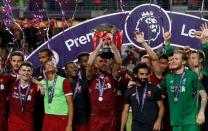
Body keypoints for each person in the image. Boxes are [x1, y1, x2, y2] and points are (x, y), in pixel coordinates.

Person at [160, 51, 207, 131]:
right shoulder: (168, 77)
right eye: (173, 59)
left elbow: (204, 95)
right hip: (175, 122)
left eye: (177, 59)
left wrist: (201, 112)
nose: (173, 61)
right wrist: (135, 82)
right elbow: (154, 89)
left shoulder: (191, 75)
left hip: (191, 122)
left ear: (184, 61)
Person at [86, 32, 122, 131]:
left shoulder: (112, 77)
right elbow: (89, 65)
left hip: (110, 118)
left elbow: (118, 63)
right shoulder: (91, 77)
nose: (104, 63)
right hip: (95, 118)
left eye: (105, 61)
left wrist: (112, 45)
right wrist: (98, 47)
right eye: (101, 61)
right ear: (96, 64)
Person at [120, 63, 164, 131]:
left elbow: (161, 107)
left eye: (146, 74)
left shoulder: (154, 89)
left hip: (153, 127)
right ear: (135, 74)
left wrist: (159, 120)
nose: (144, 76)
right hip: (136, 127)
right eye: (141, 74)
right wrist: (122, 129)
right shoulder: (129, 91)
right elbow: (125, 111)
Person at [40, 61, 73, 131]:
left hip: (61, 118)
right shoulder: (42, 82)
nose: (50, 65)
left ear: (56, 69)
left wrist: (69, 125)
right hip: (47, 118)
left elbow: (70, 103)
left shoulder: (64, 81)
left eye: (52, 64)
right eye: (47, 64)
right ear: (44, 70)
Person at [8, 62, 40, 131]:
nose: (26, 73)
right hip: (13, 123)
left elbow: (44, 93)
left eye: (28, 71)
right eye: (24, 70)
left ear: (31, 72)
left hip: (28, 124)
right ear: (19, 71)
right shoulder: (12, 85)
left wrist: (38, 83)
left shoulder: (36, 87)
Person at [65, 61, 89, 131]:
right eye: (71, 67)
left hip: (81, 119)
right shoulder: (62, 84)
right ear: (66, 71)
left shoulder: (84, 83)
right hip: (67, 118)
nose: (74, 69)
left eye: (75, 67)